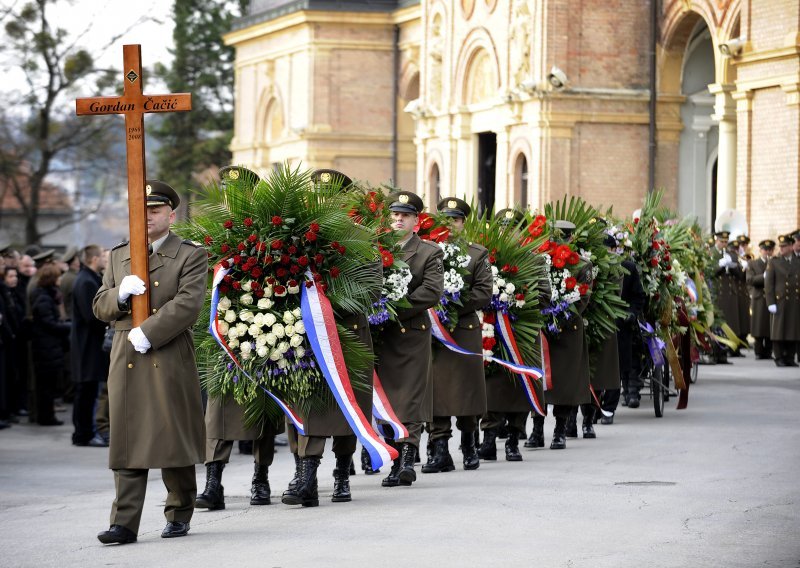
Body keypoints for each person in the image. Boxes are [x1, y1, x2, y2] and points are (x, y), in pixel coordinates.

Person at [93, 180, 207, 544]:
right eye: (140, 210)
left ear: (171, 215)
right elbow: (99, 306)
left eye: (154, 210)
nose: (147, 217)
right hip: (126, 351)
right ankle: (124, 522)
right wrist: (119, 294)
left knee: (170, 432)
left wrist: (151, 331)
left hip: (167, 349)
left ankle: (178, 511)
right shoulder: (118, 255)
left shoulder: (190, 255)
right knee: (126, 438)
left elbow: (188, 303)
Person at [280, 168, 377, 507]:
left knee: (346, 405)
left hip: (348, 332)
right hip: (304, 334)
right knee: (307, 402)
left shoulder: (362, 237)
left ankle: (341, 473)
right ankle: (305, 475)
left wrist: (326, 305)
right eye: (320, 195)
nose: (326, 202)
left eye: (333, 195)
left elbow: (371, 290)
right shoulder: (298, 234)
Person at [196, 166, 282, 511]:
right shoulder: (213, 234)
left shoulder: (270, 234)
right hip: (222, 335)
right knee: (217, 412)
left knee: (262, 411)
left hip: (264, 329)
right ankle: (213, 482)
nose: (233, 201)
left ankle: (260, 479)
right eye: (229, 193)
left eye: (241, 194)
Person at [374, 190, 444, 487]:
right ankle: (393, 459)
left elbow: (431, 291)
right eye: (395, 214)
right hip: (380, 335)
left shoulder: (429, 252)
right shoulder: (373, 249)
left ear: (417, 220)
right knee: (387, 399)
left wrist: (392, 309)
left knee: (410, 399)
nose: (399, 219)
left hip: (409, 333)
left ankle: (407, 458)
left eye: (405, 215)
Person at [423, 197, 491, 473]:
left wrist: (452, 302)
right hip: (433, 333)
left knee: (466, 391)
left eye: (456, 219)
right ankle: (440, 450)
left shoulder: (477, 254)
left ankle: (469, 443)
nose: (450, 224)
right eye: (445, 219)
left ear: (464, 222)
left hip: (463, 330)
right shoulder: (429, 251)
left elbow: (484, 292)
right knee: (436, 391)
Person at [532, 220, 592, 450]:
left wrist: (559, 313)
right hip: (542, 328)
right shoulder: (539, 262)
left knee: (565, 383)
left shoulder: (582, 266)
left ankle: (559, 431)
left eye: (564, 237)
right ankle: (537, 430)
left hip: (568, 329)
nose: (560, 242)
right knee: (539, 380)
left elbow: (583, 300)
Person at [599, 236, 645, 420]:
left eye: (608, 250)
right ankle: (593, 409)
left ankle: (609, 408)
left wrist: (631, 313)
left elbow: (638, 296)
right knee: (595, 369)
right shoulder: (593, 267)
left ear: (615, 249)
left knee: (614, 369)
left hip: (620, 325)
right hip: (597, 325)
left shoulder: (628, 268)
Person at [70, 245, 110, 446]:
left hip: (88, 343)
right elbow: (92, 315)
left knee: (88, 390)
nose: (105, 259)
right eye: (103, 256)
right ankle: (83, 434)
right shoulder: (85, 281)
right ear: (94, 259)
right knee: (86, 391)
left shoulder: (89, 278)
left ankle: (85, 432)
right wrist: (110, 320)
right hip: (87, 344)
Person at [29, 264, 70, 426]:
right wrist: (68, 327)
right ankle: (46, 417)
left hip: (48, 346)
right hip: (46, 347)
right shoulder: (43, 297)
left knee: (47, 384)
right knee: (46, 385)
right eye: (58, 277)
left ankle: (46, 415)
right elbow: (48, 323)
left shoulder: (45, 295)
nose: (60, 280)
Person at [708, 231, 748, 358]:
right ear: (716, 240)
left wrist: (739, 267)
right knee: (718, 325)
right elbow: (708, 272)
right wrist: (720, 265)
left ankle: (725, 353)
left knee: (730, 324)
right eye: (722, 241)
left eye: (726, 242)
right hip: (718, 293)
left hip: (730, 295)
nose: (724, 244)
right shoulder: (711, 252)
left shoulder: (730, 254)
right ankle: (716, 353)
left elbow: (740, 276)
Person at [765, 234, 800, 367]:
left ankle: (790, 357)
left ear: (791, 246)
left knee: (793, 330)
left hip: (794, 301)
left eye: (784, 246)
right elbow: (769, 284)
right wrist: (770, 302)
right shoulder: (774, 261)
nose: (782, 249)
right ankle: (779, 357)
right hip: (780, 300)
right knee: (778, 331)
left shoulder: (797, 261)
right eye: (780, 246)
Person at [746, 240, 775, 360]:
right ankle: (758, 351)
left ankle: (768, 351)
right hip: (758, 297)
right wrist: (763, 277)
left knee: (769, 326)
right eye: (765, 250)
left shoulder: (774, 263)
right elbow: (750, 279)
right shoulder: (753, 263)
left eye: (769, 250)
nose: (767, 252)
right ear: (760, 250)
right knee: (758, 326)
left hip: (770, 297)